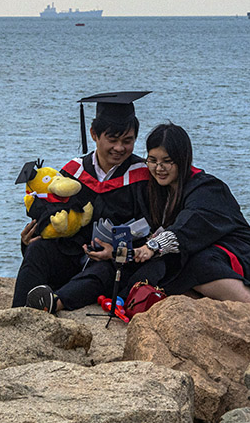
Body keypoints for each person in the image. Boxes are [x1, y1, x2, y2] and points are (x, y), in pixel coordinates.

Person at [12, 91, 150, 311]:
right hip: (73, 255)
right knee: (38, 251)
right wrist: (29, 240)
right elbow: (56, 216)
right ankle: (17, 312)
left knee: (103, 271)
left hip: (112, 262)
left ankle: (51, 304)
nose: (120, 148)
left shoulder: (142, 176)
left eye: (128, 140)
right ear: (94, 134)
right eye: (112, 140)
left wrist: (116, 251)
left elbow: (152, 230)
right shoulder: (73, 172)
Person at [133, 122, 250, 303]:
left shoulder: (207, 188)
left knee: (197, 263)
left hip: (240, 252)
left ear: (182, 159)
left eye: (167, 161)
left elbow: (189, 224)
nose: (159, 168)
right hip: (199, 249)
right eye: (153, 160)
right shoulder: (158, 190)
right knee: (155, 271)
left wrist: (153, 246)